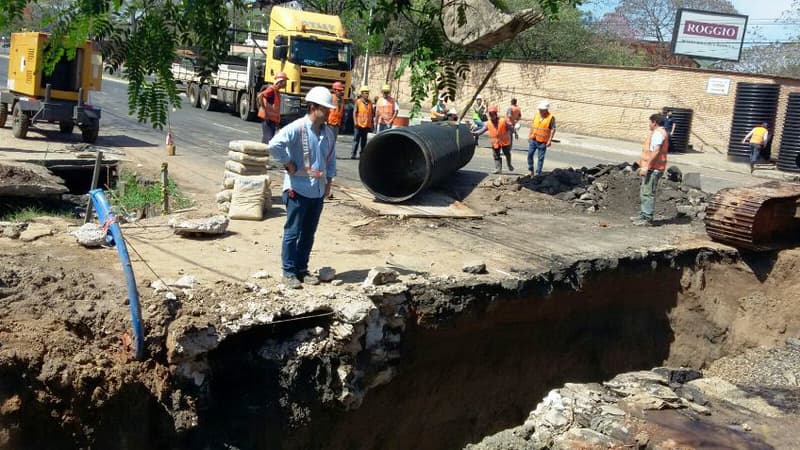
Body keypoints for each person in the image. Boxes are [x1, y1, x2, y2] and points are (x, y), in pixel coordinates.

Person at [268, 86, 338, 289]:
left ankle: (301, 269)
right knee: (293, 232)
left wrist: (329, 183)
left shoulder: (328, 133)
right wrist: (287, 162)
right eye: (325, 109)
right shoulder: (296, 128)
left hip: (317, 191)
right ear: (313, 107)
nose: (328, 112)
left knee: (308, 233)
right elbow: (274, 145)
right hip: (297, 189)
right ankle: (288, 272)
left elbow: (330, 160)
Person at [632, 113, 669, 227]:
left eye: (650, 122)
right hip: (653, 167)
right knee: (645, 191)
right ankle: (643, 214)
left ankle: (647, 218)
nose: (649, 124)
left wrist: (647, 166)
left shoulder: (658, 134)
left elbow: (656, 151)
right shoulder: (659, 132)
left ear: (654, 122)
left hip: (654, 168)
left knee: (648, 193)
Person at [472, 105, 514, 174]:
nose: (491, 115)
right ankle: (498, 169)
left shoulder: (503, 121)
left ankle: (509, 165)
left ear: (496, 114)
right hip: (495, 142)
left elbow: (510, 127)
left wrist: (513, 130)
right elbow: (481, 131)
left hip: (504, 141)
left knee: (507, 154)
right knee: (496, 155)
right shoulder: (488, 123)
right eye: (490, 114)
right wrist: (475, 133)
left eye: (492, 114)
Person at [257, 72, 288, 144]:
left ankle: (263, 153)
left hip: (271, 120)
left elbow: (275, 109)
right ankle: (264, 153)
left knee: (268, 138)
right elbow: (260, 96)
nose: (286, 83)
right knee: (268, 139)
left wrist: (277, 121)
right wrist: (264, 109)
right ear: (280, 81)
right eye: (285, 81)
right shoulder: (272, 89)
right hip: (267, 118)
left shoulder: (276, 91)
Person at [527, 101, 556, 176]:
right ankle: (531, 170)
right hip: (533, 139)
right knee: (530, 155)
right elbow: (533, 126)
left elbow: (553, 129)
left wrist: (549, 140)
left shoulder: (551, 118)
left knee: (540, 158)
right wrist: (529, 135)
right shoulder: (537, 115)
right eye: (540, 109)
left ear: (546, 110)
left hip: (543, 142)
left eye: (541, 110)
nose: (540, 111)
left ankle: (537, 173)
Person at [351, 86, 373, 159]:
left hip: (366, 125)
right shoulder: (358, 102)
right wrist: (355, 122)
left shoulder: (370, 103)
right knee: (356, 140)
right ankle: (353, 154)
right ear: (362, 94)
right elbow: (354, 112)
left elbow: (371, 114)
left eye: (367, 93)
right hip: (358, 124)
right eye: (365, 93)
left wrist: (371, 124)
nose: (367, 94)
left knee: (364, 141)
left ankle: (362, 154)